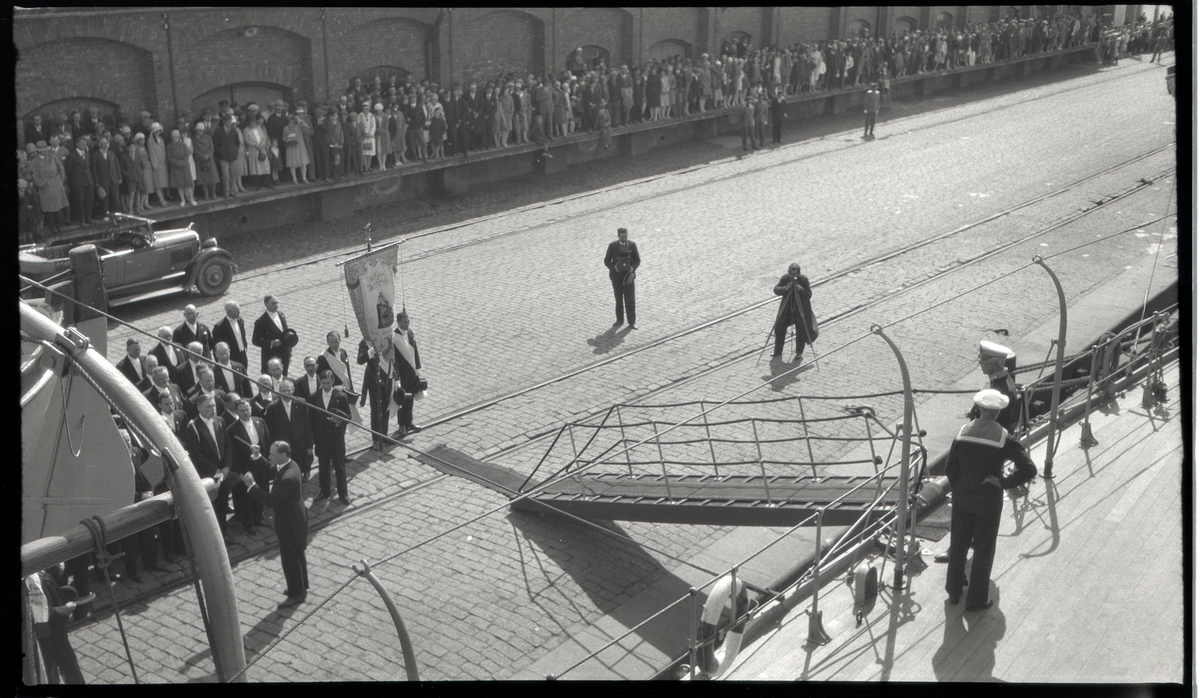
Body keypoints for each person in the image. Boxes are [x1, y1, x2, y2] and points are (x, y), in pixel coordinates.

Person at [944, 389, 1037, 611]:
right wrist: (1002, 482)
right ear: (997, 414)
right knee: (984, 548)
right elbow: (1029, 469)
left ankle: (954, 590)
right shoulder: (1004, 437)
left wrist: (960, 487)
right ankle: (976, 599)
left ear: (979, 409)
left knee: (958, 544)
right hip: (988, 498)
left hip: (963, 495)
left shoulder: (963, 432)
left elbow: (950, 469)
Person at [242, 441, 309, 607]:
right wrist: (258, 457)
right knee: (296, 553)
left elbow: (271, 500)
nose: (270, 456)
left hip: (289, 521)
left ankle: (297, 594)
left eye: (272, 454)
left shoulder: (289, 478)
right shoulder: (289, 465)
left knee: (290, 557)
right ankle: (301, 586)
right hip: (293, 517)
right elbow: (272, 469)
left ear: (283, 455)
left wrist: (252, 486)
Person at [183, 393, 233, 540]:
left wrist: (227, 466)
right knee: (212, 508)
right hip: (208, 474)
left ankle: (223, 535)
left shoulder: (220, 421)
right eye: (209, 406)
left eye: (213, 405)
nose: (213, 409)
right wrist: (215, 470)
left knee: (223, 504)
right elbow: (197, 454)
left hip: (223, 472)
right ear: (199, 408)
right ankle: (214, 538)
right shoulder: (193, 428)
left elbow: (228, 444)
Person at [28, 565, 86, 683]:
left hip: (51, 632)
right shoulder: (35, 580)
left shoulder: (41, 574)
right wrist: (66, 609)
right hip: (51, 633)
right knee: (64, 667)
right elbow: (45, 614)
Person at [228, 399, 271, 535]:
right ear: (236, 412)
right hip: (246, 468)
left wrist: (268, 461)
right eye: (242, 410)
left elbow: (267, 441)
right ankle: (249, 523)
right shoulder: (232, 429)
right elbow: (233, 454)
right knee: (246, 498)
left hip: (262, 465)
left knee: (262, 491)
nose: (246, 413)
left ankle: (259, 517)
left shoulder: (260, 421)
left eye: (247, 409)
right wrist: (239, 472)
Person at [309, 371, 351, 504]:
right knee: (323, 466)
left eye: (328, 382)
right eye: (323, 383)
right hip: (321, 439)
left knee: (339, 466)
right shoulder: (314, 396)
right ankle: (324, 491)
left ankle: (343, 493)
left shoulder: (341, 396)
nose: (326, 385)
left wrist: (339, 422)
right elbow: (312, 418)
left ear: (333, 381)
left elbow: (348, 417)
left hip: (336, 438)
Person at [266, 378, 315, 481]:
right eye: (283, 390)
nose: (286, 393)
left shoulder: (301, 403)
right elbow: (271, 430)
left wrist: (309, 446)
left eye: (288, 390)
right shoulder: (273, 407)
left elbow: (307, 425)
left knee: (299, 470)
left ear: (293, 390)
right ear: (279, 391)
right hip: (284, 447)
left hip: (299, 444)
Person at [970, 340, 1022, 434]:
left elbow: (992, 421)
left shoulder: (1001, 390)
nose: (980, 362)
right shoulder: (1004, 380)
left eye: (984, 360)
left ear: (995, 363)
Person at [772, 262, 819, 363]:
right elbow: (776, 289)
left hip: (800, 310)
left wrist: (800, 289)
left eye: (793, 274)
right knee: (780, 328)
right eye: (790, 273)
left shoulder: (804, 280)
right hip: (786, 310)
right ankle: (777, 351)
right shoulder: (785, 278)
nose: (791, 276)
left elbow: (808, 295)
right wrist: (786, 288)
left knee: (801, 330)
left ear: (798, 274)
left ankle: (799, 353)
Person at [391, 310, 424, 438]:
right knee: (403, 398)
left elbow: (415, 351)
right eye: (405, 322)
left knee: (410, 397)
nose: (407, 324)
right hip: (402, 373)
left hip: (411, 371)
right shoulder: (394, 337)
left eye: (408, 321)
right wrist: (396, 376)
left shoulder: (410, 333)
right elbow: (394, 359)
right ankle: (402, 424)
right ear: (398, 322)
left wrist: (418, 368)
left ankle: (409, 421)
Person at [358, 336, 393, 450]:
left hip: (388, 378)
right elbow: (360, 360)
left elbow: (393, 358)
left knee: (385, 408)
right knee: (376, 410)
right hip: (374, 381)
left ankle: (384, 435)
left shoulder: (387, 337)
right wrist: (372, 350)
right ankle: (376, 439)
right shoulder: (365, 342)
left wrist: (396, 379)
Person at [603, 227, 641, 330]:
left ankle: (631, 322)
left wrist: (632, 268)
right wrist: (614, 267)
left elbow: (637, 260)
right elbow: (606, 261)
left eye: (625, 237)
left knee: (630, 299)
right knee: (618, 299)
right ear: (618, 236)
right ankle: (619, 319)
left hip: (628, 277)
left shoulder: (632, 245)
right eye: (622, 237)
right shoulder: (612, 246)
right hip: (617, 277)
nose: (624, 238)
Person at [252, 294, 294, 374]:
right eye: (273, 304)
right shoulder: (261, 321)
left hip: (284, 353)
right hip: (271, 355)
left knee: (284, 374)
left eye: (277, 303)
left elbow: (285, 331)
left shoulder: (281, 314)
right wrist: (271, 343)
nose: (276, 305)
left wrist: (290, 350)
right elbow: (255, 340)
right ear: (266, 304)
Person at [64, 135, 95, 226]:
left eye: (85, 144)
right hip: (78, 182)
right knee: (80, 201)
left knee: (89, 200)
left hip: (89, 181)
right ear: (77, 144)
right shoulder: (72, 156)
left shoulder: (88, 154)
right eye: (82, 144)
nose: (84, 145)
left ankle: (88, 218)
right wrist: (75, 179)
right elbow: (69, 170)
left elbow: (89, 167)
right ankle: (82, 220)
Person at [212, 300, 250, 369]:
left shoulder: (240, 320)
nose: (239, 312)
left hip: (242, 353)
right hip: (231, 357)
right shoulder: (219, 327)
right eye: (236, 310)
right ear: (228, 312)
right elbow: (216, 347)